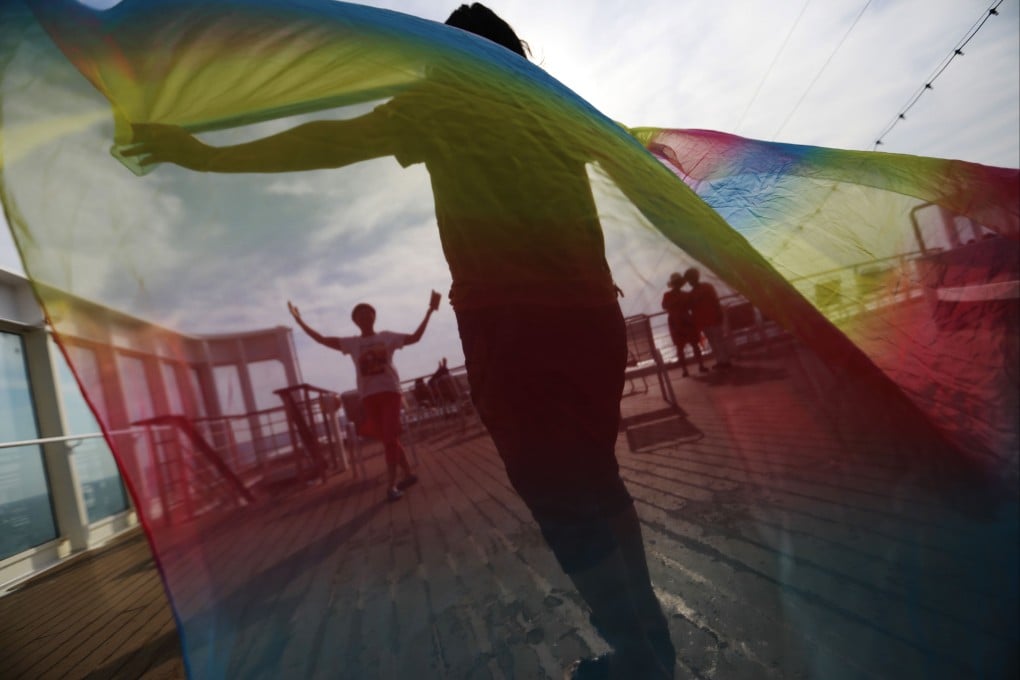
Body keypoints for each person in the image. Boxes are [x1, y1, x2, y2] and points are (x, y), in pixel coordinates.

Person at [126, 5, 675, 677]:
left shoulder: (442, 101)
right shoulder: (550, 103)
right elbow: (632, 155)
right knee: (598, 479)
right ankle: (648, 643)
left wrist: (206, 157)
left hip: (513, 326)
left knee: (559, 496)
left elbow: (325, 142)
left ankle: (639, 656)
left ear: (442, 53)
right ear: (511, 50)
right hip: (593, 315)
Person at [287, 292, 440, 501]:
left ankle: (391, 485)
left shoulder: (387, 337)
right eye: (360, 314)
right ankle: (408, 474)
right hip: (368, 396)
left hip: (390, 391)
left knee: (388, 438)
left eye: (368, 312)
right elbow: (322, 340)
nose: (365, 316)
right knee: (388, 438)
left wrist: (429, 311)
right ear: (355, 321)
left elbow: (415, 337)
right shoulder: (351, 343)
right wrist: (299, 321)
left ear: (374, 316)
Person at [685, 267, 732, 370]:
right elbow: (715, 301)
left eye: (690, 279)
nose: (689, 282)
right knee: (715, 340)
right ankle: (722, 360)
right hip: (708, 319)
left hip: (708, 319)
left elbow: (690, 307)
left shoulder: (694, 293)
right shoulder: (706, 287)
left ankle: (723, 361)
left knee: (716, 340)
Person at [662, 271, 707, 377]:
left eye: (678, 282)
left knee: (694, 345)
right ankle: (685, 370)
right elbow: (664, 306)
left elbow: (692, 306)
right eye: (676, 283)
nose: (677, 285)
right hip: (677, 322)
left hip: (685, 321)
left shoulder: (685, 295)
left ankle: (700, 365)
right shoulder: (668, 295)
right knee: (680, 347)